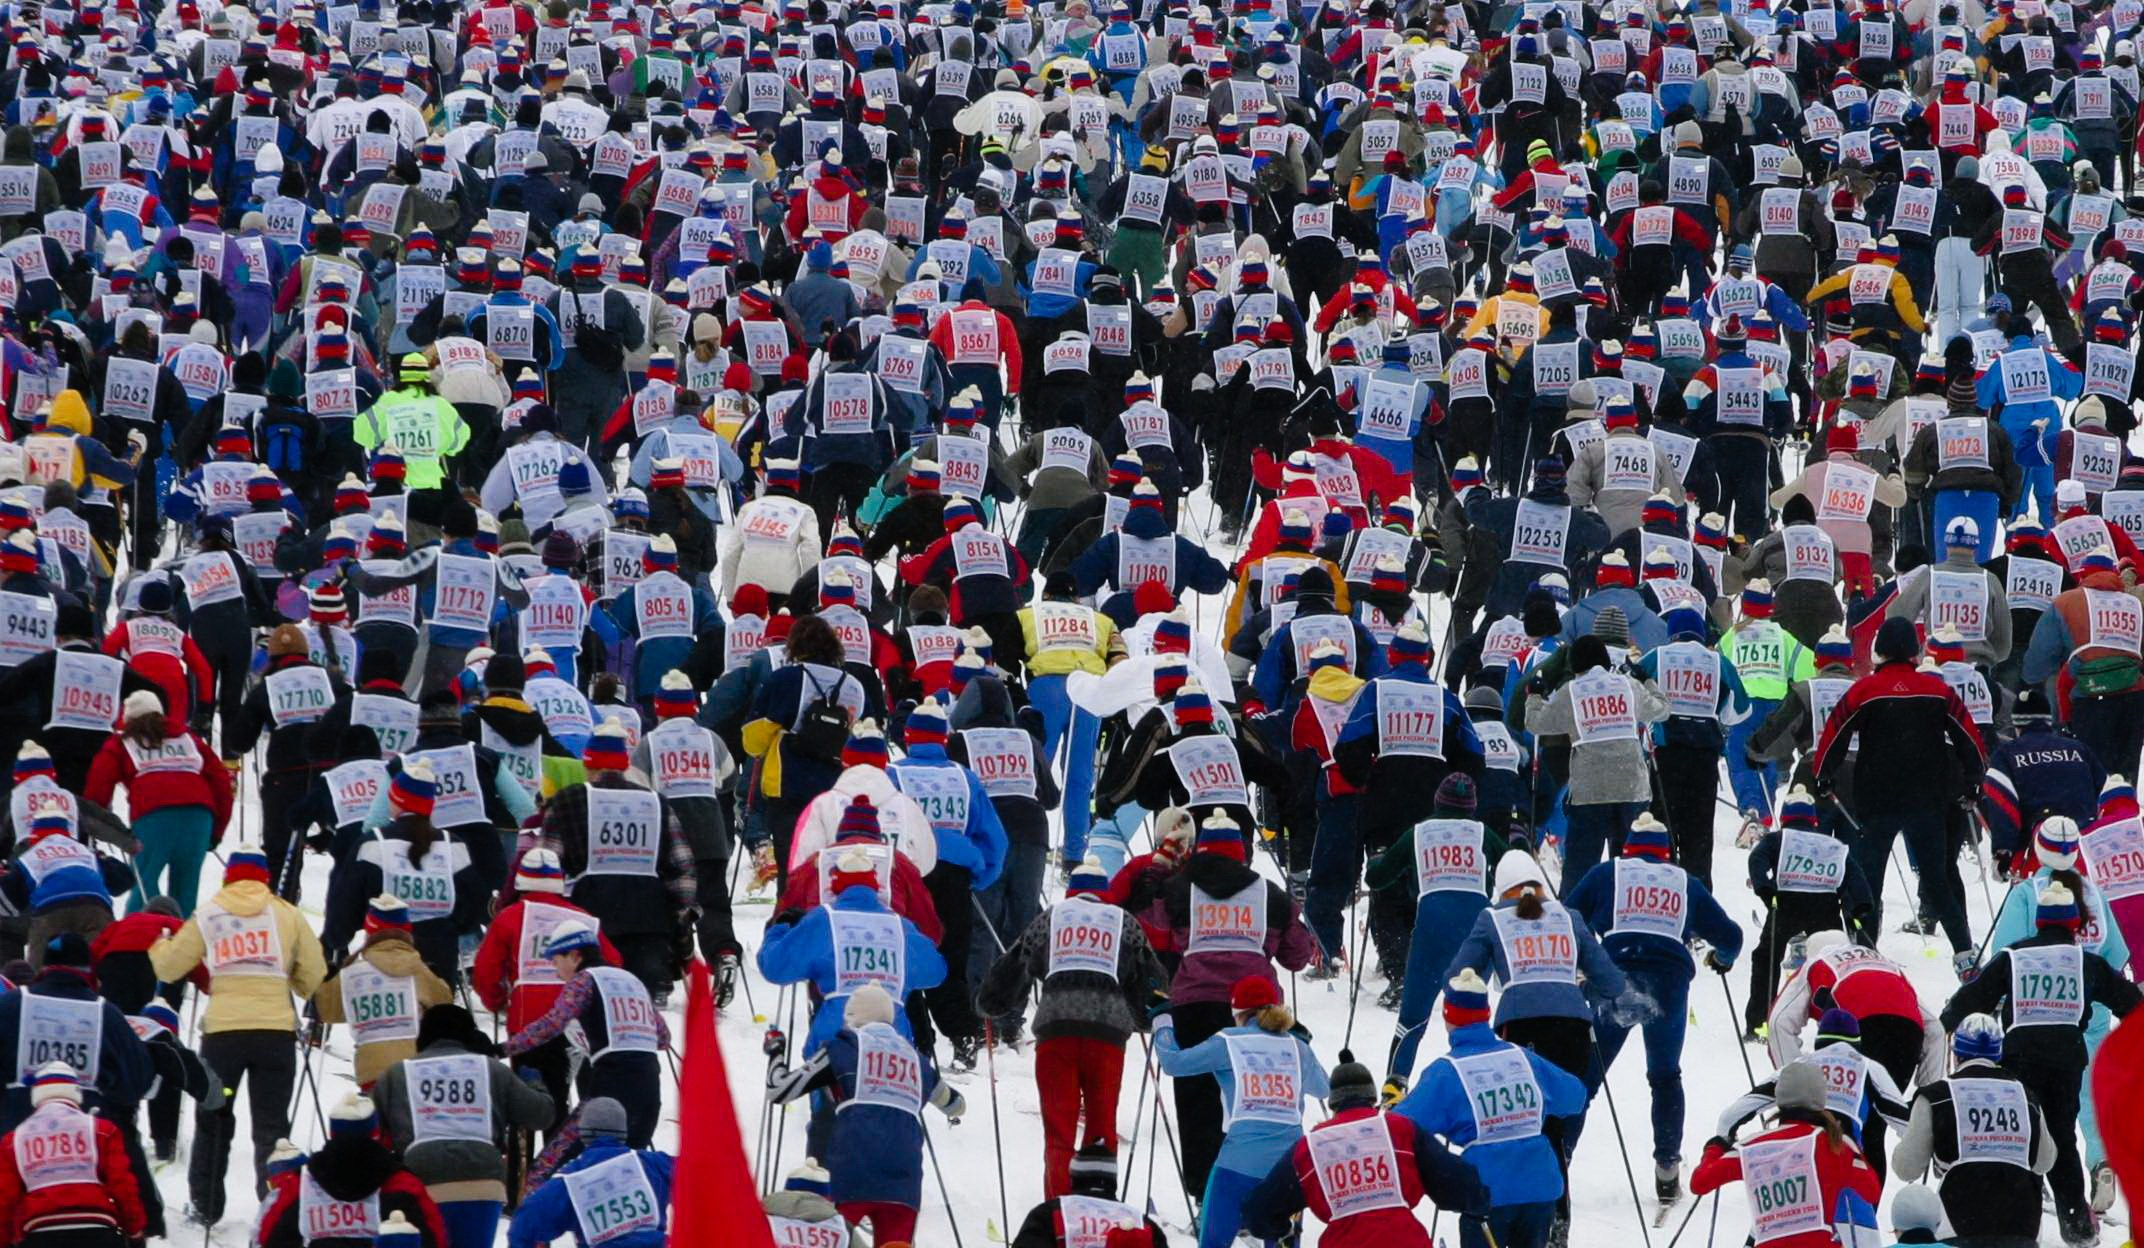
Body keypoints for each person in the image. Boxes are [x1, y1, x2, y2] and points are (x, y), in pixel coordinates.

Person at [1942, 883, 2141, 1244]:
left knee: (2025, 1136)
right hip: (2067, 1060)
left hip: (2021, 1058)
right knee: (2062, 1136)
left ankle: (2022, 1216)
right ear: (2073, 924)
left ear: (2039, 922)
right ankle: (2076, 1223)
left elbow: (1975, 996)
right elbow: (2128, 1001)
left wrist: (1947, 1020)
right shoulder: (2086, 961)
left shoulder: (2015, 956)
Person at [1566, 814, 1744, 1203]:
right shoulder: (1686, 883)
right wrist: (1723, 958)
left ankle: (1559, 1159)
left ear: (1628, 847)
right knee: (1665, 1076)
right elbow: (1731, 936)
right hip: (1668, 984)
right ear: (1667, 852)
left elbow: (1566, 918)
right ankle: (1667, 1165)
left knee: (1586, 1078)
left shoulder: (1607, 873)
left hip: (1615, 978)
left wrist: (1584, 960)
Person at [150, 840, 327, 1225]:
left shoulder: (210, 912)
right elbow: (313, 973)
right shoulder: (286, 914)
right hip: (275, 1037)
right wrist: (294, 982)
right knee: (272, 1128)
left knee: (213, 1120)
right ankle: (276, 1207)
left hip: (223, 1040)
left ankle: (205, 1207)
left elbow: (169, 969)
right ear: (264, 877)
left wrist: (159, 945)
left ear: (229, 874)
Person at [976, 856, 1168, 1198]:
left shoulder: (1052, 918)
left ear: (1071, 893)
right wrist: (1147, 1017)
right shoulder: (1123, 921)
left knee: (1059, 1130)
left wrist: (992, 1003)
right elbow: (1152, 979)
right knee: (1101, 1124)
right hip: (1108, 1035)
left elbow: (1014, 964)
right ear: (1103, 894)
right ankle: (1099, 1207)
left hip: (1056, 1030)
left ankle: (1059, 1216)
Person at [1393, 970, 1590, 1248]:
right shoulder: (1522, 1057)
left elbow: (1400, 1126)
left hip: (1487, 1190)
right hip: (1540, 1184)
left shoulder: (1447, 1072)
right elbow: (1574, 1096)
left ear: (1448, 1017)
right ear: (1486, 1013)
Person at [764, 984, 964, 1245]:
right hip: (904, 1182)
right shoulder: (917, 1061)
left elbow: (780, 1089)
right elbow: (955, 1105)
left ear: (852, 1018)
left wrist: (776, 1051)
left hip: (851, 1173)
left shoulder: (844, 1048)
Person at [1154, 975, 1331, 1248]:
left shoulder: (1229, 1041)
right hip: (1289, 1165)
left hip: (1239, 1162)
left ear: (1237, 1012)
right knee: (1282, 1239)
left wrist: (1162, 1021)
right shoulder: (1296, 1047)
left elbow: (1174, 1064)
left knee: (1213, 1241)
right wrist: (1304, 1047)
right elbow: (1323, 1089)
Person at [1241, 1055, 1488, 1247]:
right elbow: (1455, 1181)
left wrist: (1281, 1229)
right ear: (1372, 1098)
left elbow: (1259, 1212)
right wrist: (1476, 1200)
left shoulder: (1311, 1146)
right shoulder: (1399, 1128)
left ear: (1334, 1103)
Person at [374, 1004, 555, 1248]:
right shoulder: (491, 1069)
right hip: (483, 1181)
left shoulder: (397, 1074)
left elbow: (368, 1127)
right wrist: (534, 1085)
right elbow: (541, 1115)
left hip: (422, 1179)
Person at [1892, 1014, 2059, 1247]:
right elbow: (2045, 1161)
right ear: (1998, 1053)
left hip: (1959, 1215)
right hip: (2022, 1221)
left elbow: (1907, 1167)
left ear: (1957, 1052)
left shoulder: (1937, 1095)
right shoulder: (2025, 1095)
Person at [503, 922, 669, 1148]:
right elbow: (663, 1037)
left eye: (555, 961)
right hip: (649, 1083)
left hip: (611, 1083)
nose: (556, 970)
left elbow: (552, 1024)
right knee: (631, 1158)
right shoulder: (632, 980)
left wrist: (503, 1048)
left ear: (574, 955)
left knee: (557, 1158)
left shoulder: (583, 980)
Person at [1692, 1060, 1883, 1248]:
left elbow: (1700, 1182)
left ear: (1780, 1097)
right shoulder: (1836, 1145)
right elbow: (1871, 1191)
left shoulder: (1751, 1147)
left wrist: (1714, 1148)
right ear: (1821, 1098)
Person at [0, 1063, 148, 1248]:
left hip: (40, 1232)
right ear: (76, 1093)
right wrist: (134, 1230)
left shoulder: (13, 1141)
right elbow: (123, 1186)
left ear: (36, 1095)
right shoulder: (101, 1131)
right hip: (98, 1229)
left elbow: (5, 1199)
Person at [506, 1097, 672, 1248]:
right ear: (624, 1129)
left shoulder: (570, 1180)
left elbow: (525, 1223)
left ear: (583, 1133)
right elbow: (696, 1175)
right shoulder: (655, 1163)